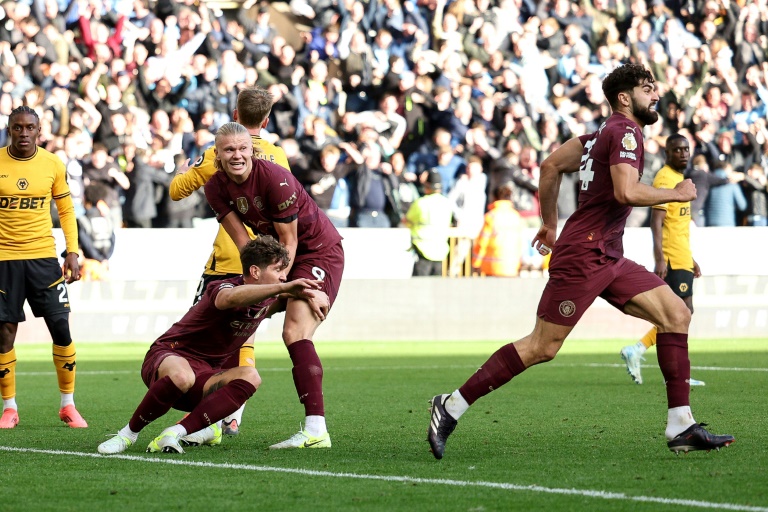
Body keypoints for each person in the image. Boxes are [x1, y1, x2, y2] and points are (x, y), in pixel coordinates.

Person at [425, 64, 734, 460]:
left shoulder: (596, 136)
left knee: (676, 314)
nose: (656, 95)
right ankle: (449, 407)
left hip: (606, 253)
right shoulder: (623, 132)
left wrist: (550, 224)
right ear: (624, 98)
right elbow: (624, 192)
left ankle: (681, 424)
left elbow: (550, 165)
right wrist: (675, 193)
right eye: (647, 89)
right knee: (542, 346)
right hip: (585, 255)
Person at [97, 236, 328, 454]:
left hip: (205, 377)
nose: (282, 277)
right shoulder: (222, 287)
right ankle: (127, 435)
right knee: (182, 376)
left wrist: (313, 296)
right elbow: (229, 299)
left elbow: (296, 298)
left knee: (251, 376)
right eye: (278, 270)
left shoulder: (271, 298)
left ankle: (175, 432)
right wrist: (283, 289)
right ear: (255, 271)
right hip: (168, 356)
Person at [204, 122, 345, 449]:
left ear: (251, 150)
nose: (237, 155)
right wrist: (250, 290)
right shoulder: (216, 188)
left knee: (294, 331)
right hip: (275, 255)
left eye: (242, 148)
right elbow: (244, 246)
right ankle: (212, 420)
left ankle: (315, 429)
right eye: (229, 150)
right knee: (236, 321)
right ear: (218, 155)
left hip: (316, 251)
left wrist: (286, 286)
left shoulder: (274, 179)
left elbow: (289, 242)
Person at [170, 86, 291, 436]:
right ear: (266, 121)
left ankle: (207, 418)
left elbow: (177, 191)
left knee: (205, 341)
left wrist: (188, 169)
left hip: (226, 259)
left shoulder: (218, 152)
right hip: (263, 264)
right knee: (245, 336)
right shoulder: (278, 156)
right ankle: (233, 414)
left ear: (235, 116)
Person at [0, 106, 86, 429]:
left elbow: (66, 211)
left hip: (43, 259)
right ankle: (9, 408)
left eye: (29, 128)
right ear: (9, 130)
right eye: (17, 128)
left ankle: (68, 405)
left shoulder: (52, 163)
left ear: (40, 131)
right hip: (4, 260)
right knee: (4, 334)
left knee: (61, 327)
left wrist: (73, 252)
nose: (24, 134)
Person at [619, 135, 705, 386]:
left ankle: (640, 350)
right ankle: (676, 372)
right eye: (677, 150)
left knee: (683, 313)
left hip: (682, 258)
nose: (683, 154)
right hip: (671, 259)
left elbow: (677, 226)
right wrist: (660, 259)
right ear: (667, 153)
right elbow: (656, 222)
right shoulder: (665, 179)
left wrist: (691, 258)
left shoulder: (681, 180)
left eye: (686, 149)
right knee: (682, 314)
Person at [405, 171, 453, 277]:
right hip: (440, 252)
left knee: (419, 288)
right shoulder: (447, 203)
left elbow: (407, 220)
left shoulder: (421, 203)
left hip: (422, 250)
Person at [471, 183, 523, 277]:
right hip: (512, 265)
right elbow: (520, 242)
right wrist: (520, 262)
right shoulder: (516, 216)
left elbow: (482, 242)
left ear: (494, 197)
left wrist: (476, 262)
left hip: (492, 266)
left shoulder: (491, 216)